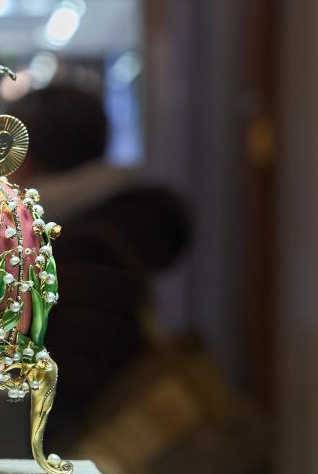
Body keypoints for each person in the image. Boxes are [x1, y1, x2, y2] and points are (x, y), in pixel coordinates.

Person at [15, 85, 191, 454]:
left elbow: (76, 377)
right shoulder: (98, 222)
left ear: (29, 155)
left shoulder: (76, 245)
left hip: (80, 457)